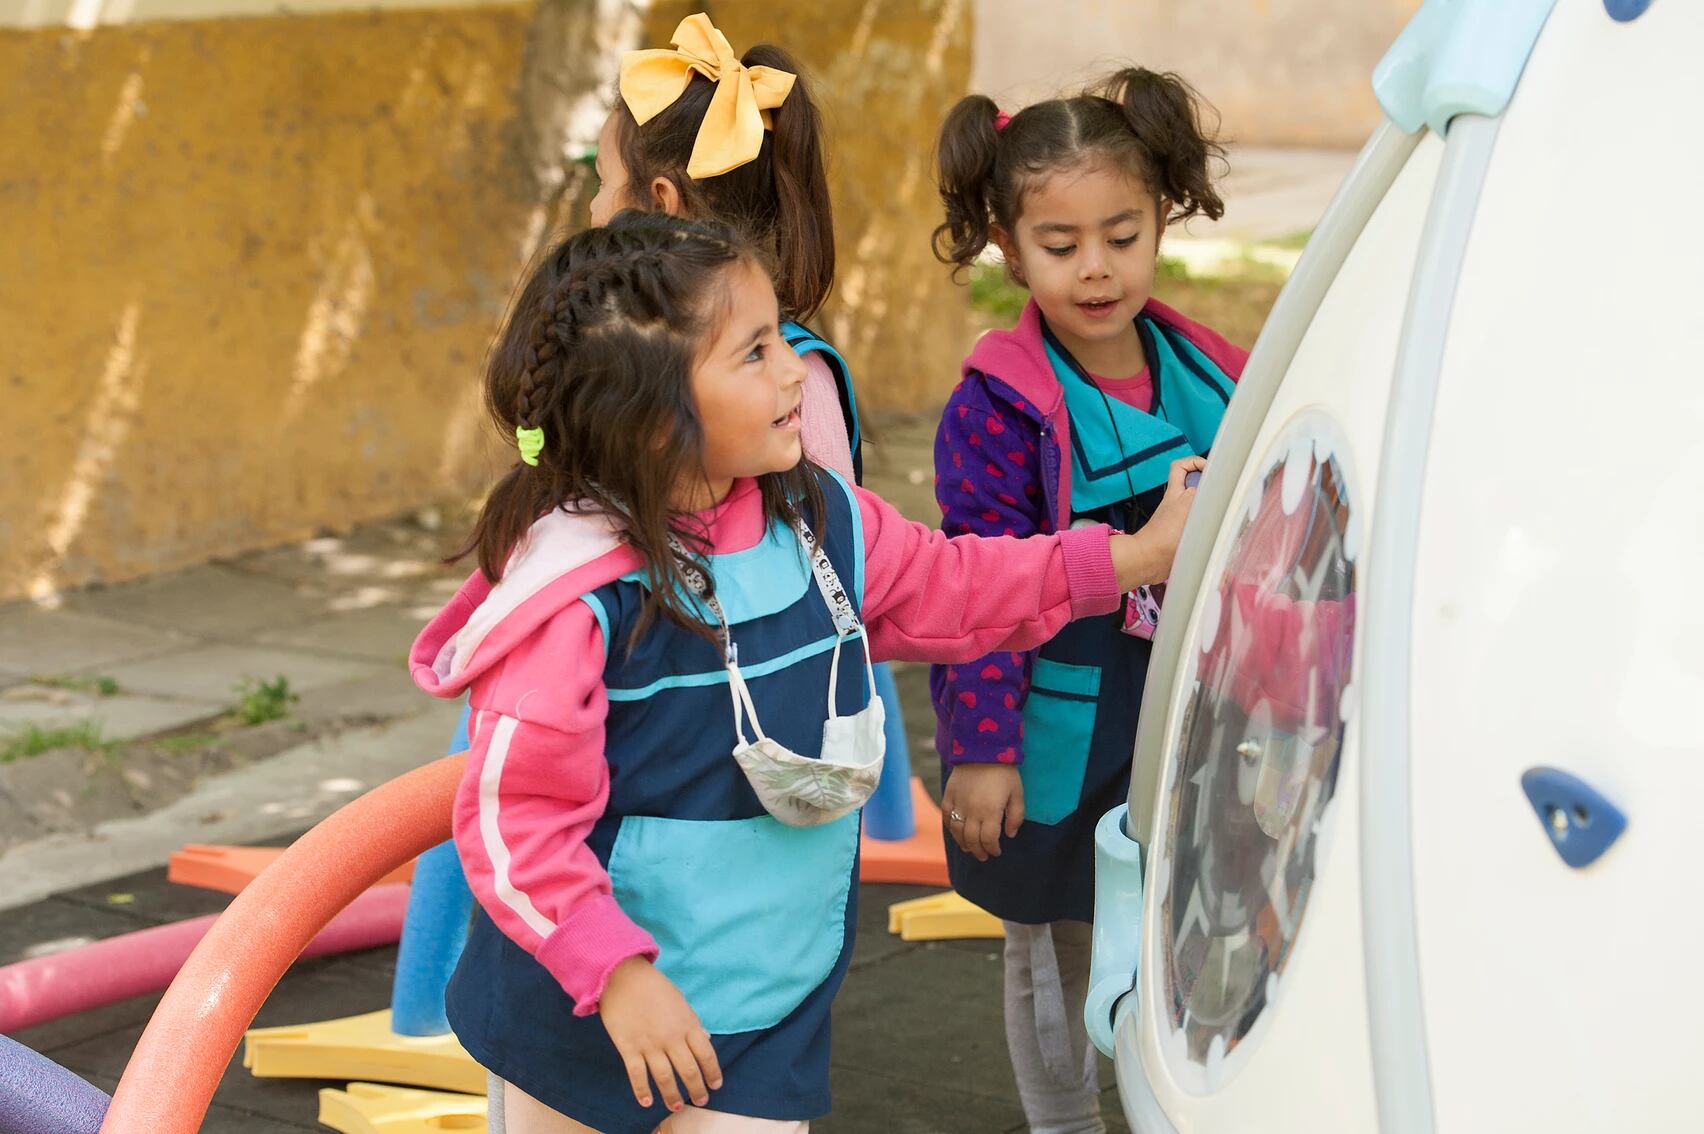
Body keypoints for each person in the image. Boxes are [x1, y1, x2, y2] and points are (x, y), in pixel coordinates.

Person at [409, 210, 1201, 1134]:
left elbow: (957, 584)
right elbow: (519, 824)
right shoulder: (579, 601)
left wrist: (1132, 559)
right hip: (585, 1008)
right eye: (754, 353)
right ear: (654, 416)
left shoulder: (818, 518)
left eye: (778, 336)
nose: (796, 370)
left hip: (765, 992)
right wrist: (615, 973)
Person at [928, 68, 1246, 1133]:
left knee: (1191, 929)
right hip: (1062, 722)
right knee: (1057, 948)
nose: (1097, 268)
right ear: (1008, 249)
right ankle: (1067, 1124)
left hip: (1196, 717)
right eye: (1061, 247)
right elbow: (973, 587)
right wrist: (981, 746)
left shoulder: (1215, 375)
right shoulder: (998, 408)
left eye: (1122, 234)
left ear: (1164, 217)